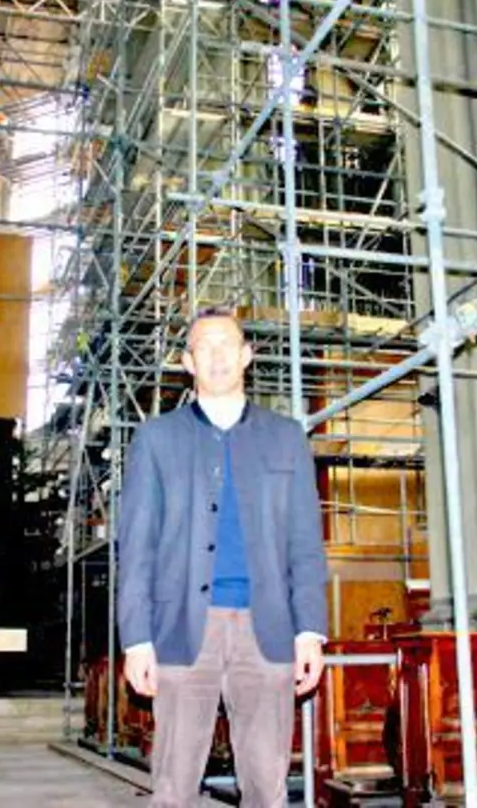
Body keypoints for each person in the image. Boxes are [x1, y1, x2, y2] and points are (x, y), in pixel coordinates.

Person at [116, 305, 330, 807]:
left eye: (226, 345)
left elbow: (304, 539)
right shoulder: (156, 439)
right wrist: (137, 640)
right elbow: (138, 545)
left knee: (267, 786)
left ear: (246, 356)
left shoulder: (286, 437)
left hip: (269, 630)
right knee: (172, 786)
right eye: (203, 347)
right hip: (181, 631)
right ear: (187, 362)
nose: (216, 356)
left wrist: (310, 632)